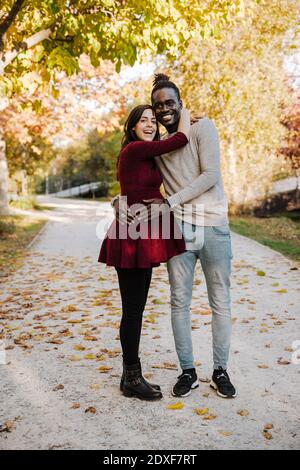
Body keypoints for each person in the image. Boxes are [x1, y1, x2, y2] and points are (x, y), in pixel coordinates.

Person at [113, 74, 236, 399]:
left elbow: (210, 175)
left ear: (180, 103)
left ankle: (220, 370)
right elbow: (132, 177)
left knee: (219, 301)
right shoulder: (156, 146)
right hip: (177, 229)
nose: (163, 110)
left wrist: (169, 201)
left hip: (212, 224)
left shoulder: (201, 128)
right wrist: (118, 200)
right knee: (179, 302)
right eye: (157, 106)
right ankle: (187, 372)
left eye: (169, 103)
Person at [98, 104, 191, 400]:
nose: (150, 124)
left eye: (153, 120)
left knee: (136, 308)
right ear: (132, 127)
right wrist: (185, 116)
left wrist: (117, 199)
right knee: (133, 310)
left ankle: (131, 376)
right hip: (131, 236)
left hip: (144, 234)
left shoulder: (147, 155)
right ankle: (132, 378)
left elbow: (132, 188)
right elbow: (180, 140)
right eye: (144, 121)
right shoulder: (135, 149)